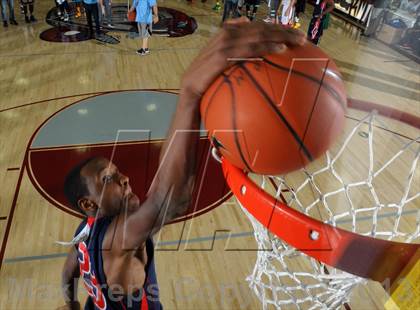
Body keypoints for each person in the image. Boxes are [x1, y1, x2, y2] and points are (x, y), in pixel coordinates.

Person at [58, 17, 305, 310]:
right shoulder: (117, 238)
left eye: (116, 171)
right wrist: (190, 94)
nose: (124, 178)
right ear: (89, 204)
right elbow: (169, 200)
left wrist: (71, 302)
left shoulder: (83, 232)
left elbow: (68, 271)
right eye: (107, 179)